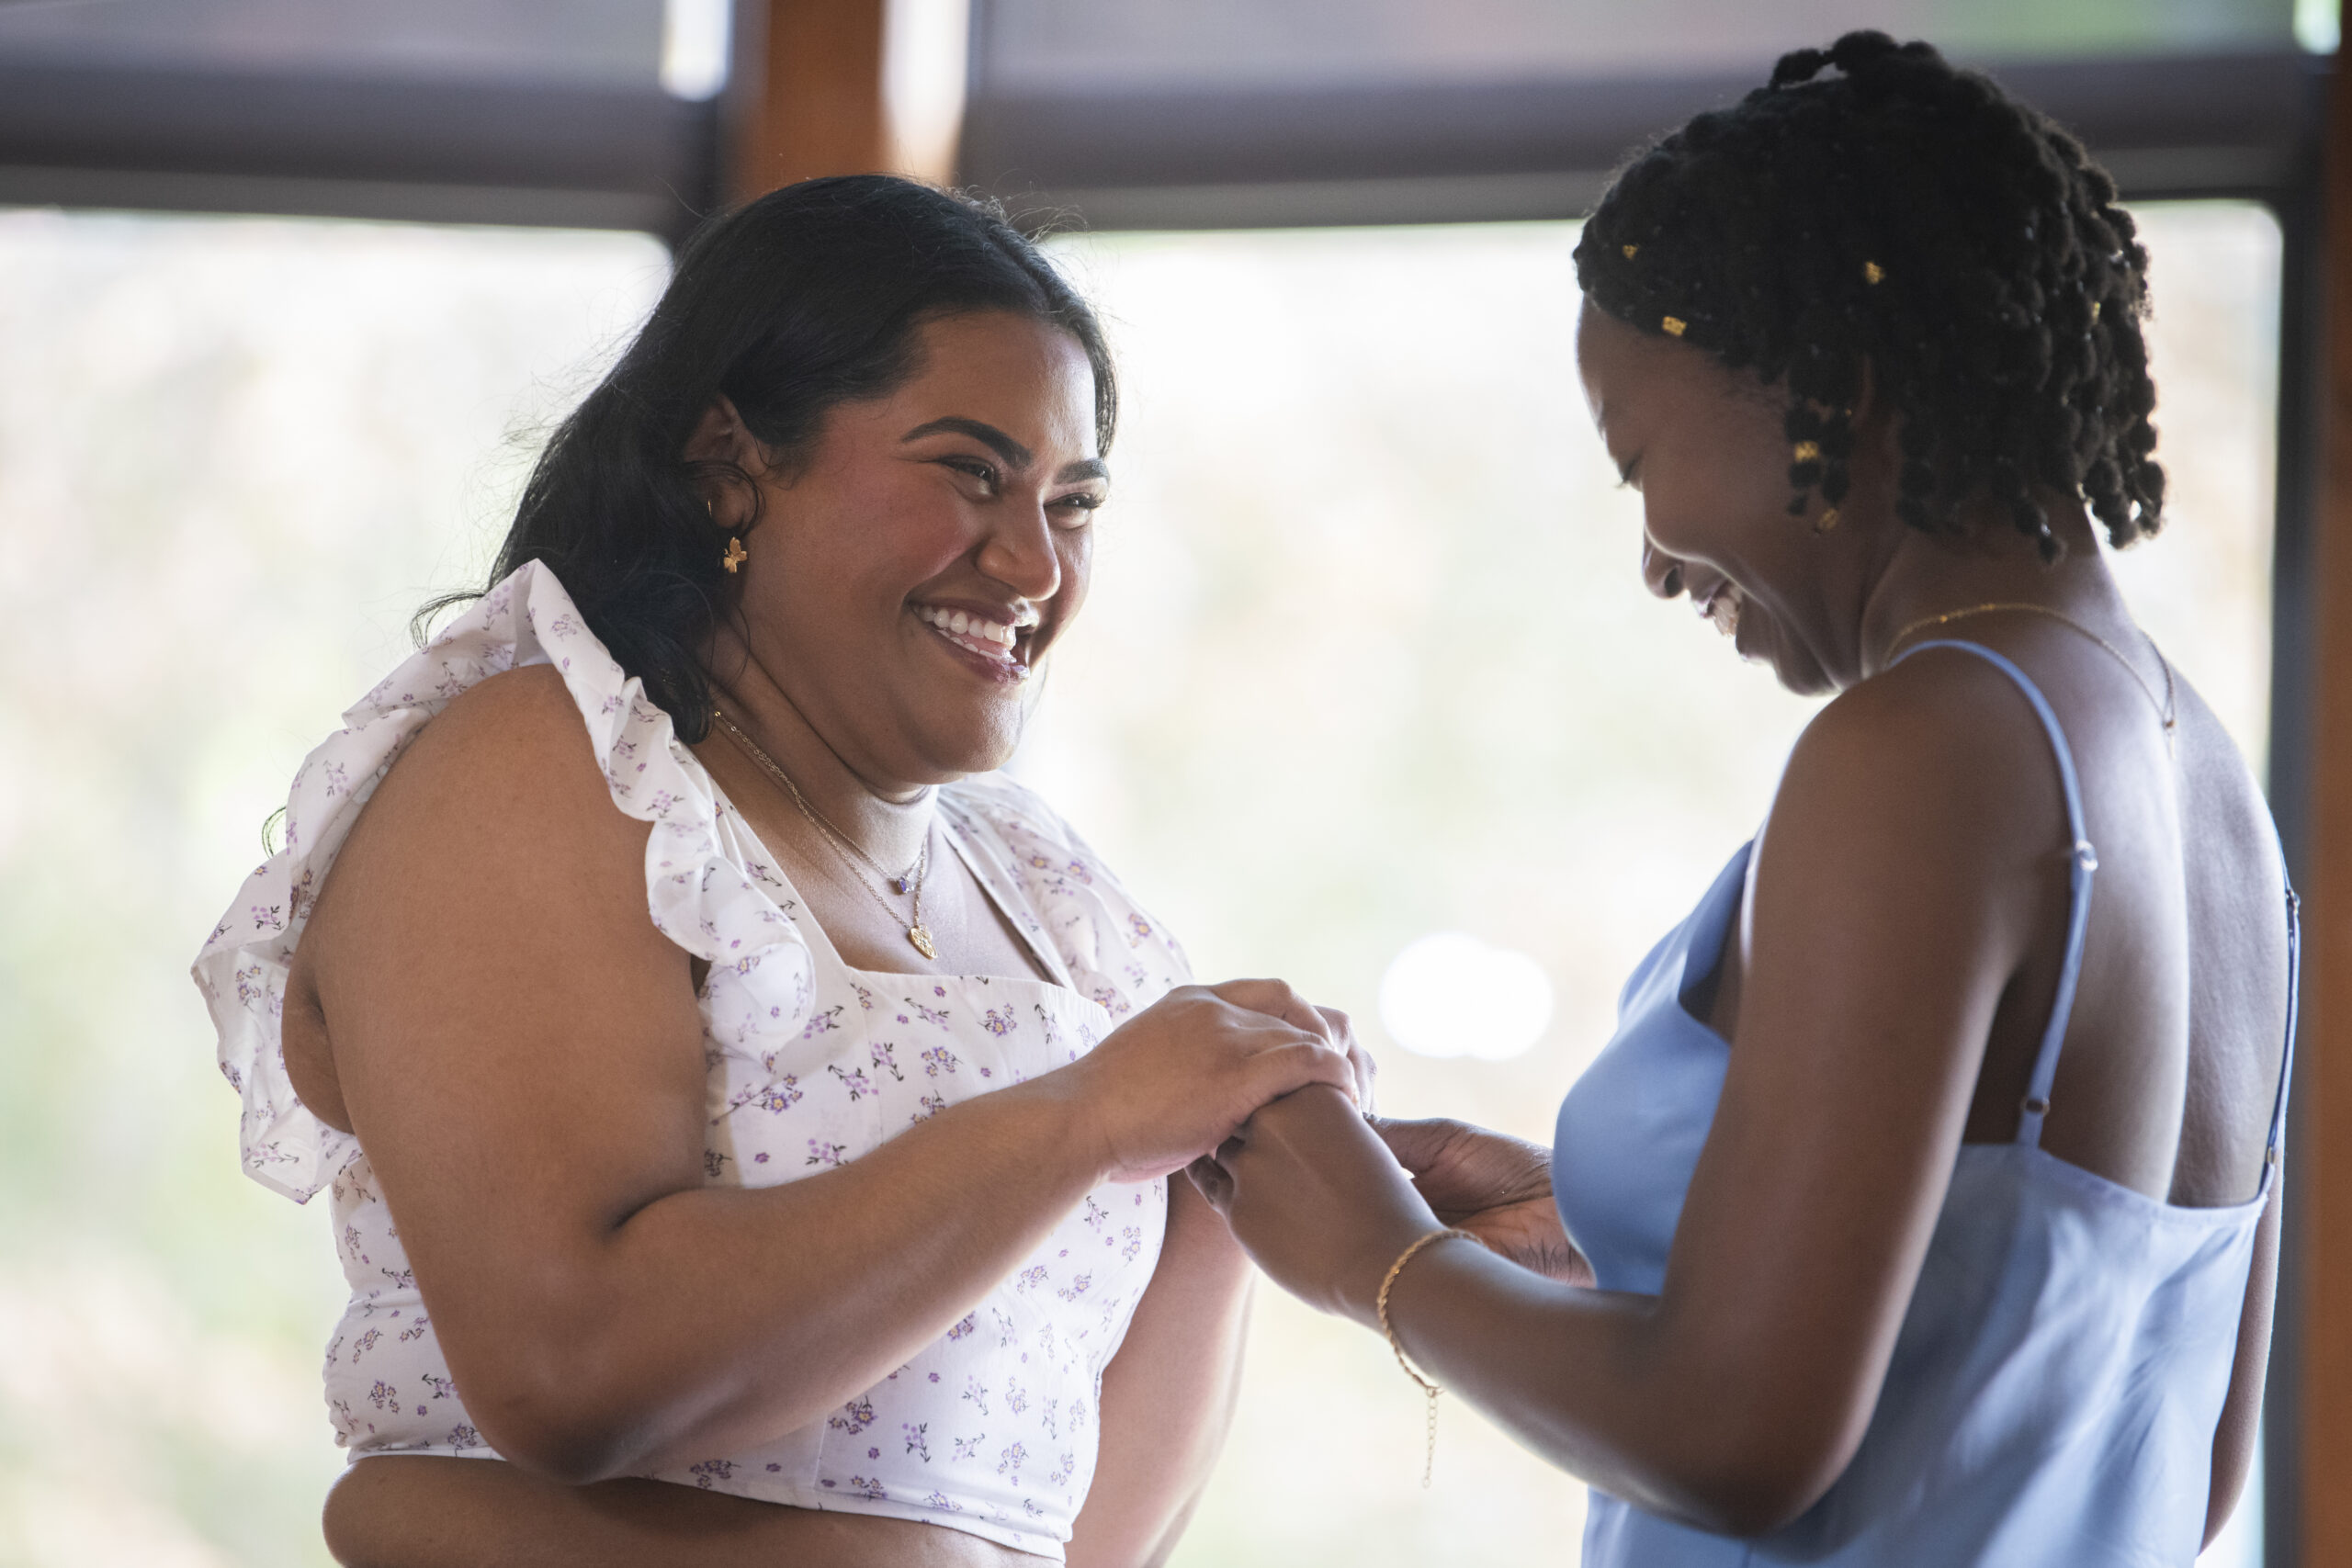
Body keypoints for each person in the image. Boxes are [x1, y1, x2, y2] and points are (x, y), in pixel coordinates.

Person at [1193, 33, 2293, 1567]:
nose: (1652, 559)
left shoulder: (1921, 745)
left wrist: (1376, 1264)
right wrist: (1613, 1225)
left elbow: (1739, 1440)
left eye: (1639, 457)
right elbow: (2173, 1453)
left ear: (1830, 384)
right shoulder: (2214, 793)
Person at [193, 175, 1369, 1568]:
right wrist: (1087, 1118)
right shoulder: (547, 768)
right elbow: (571, 1371)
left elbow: (1071, 1529)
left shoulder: (1053, 897)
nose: (1034, 566)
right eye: (971, 472)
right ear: (730, 464)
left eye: (1073, 503)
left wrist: (1253, 1152)